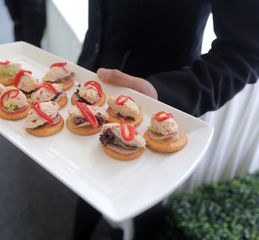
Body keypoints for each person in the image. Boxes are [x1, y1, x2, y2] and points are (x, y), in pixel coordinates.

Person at [73, 0, 259, 239]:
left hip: (158, 103)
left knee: (145, 203)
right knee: (88, 178)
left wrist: (167, 93)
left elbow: (245, 50)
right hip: (93, 72)